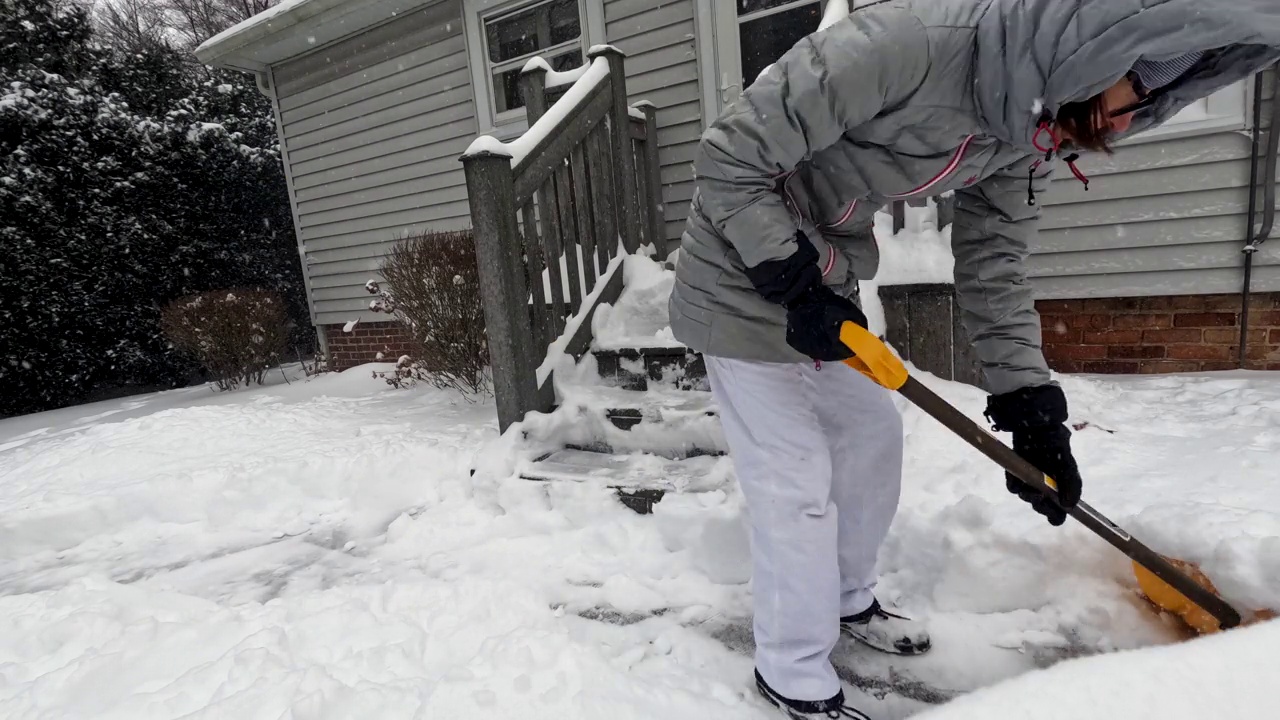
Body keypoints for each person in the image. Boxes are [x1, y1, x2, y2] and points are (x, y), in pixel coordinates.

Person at [667, 0, 1280, 717]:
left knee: (872, 438)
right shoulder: (905, 47)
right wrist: (792, 280)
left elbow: (994, 263)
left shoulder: (1029, 127)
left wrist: (1031, 407)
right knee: (795, 485)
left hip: (823, 283)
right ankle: (791, 672)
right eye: (1134, 94)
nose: (1126, 122)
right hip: (741, 275)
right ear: (1103, 59)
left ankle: (845, 602)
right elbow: (729, 154)